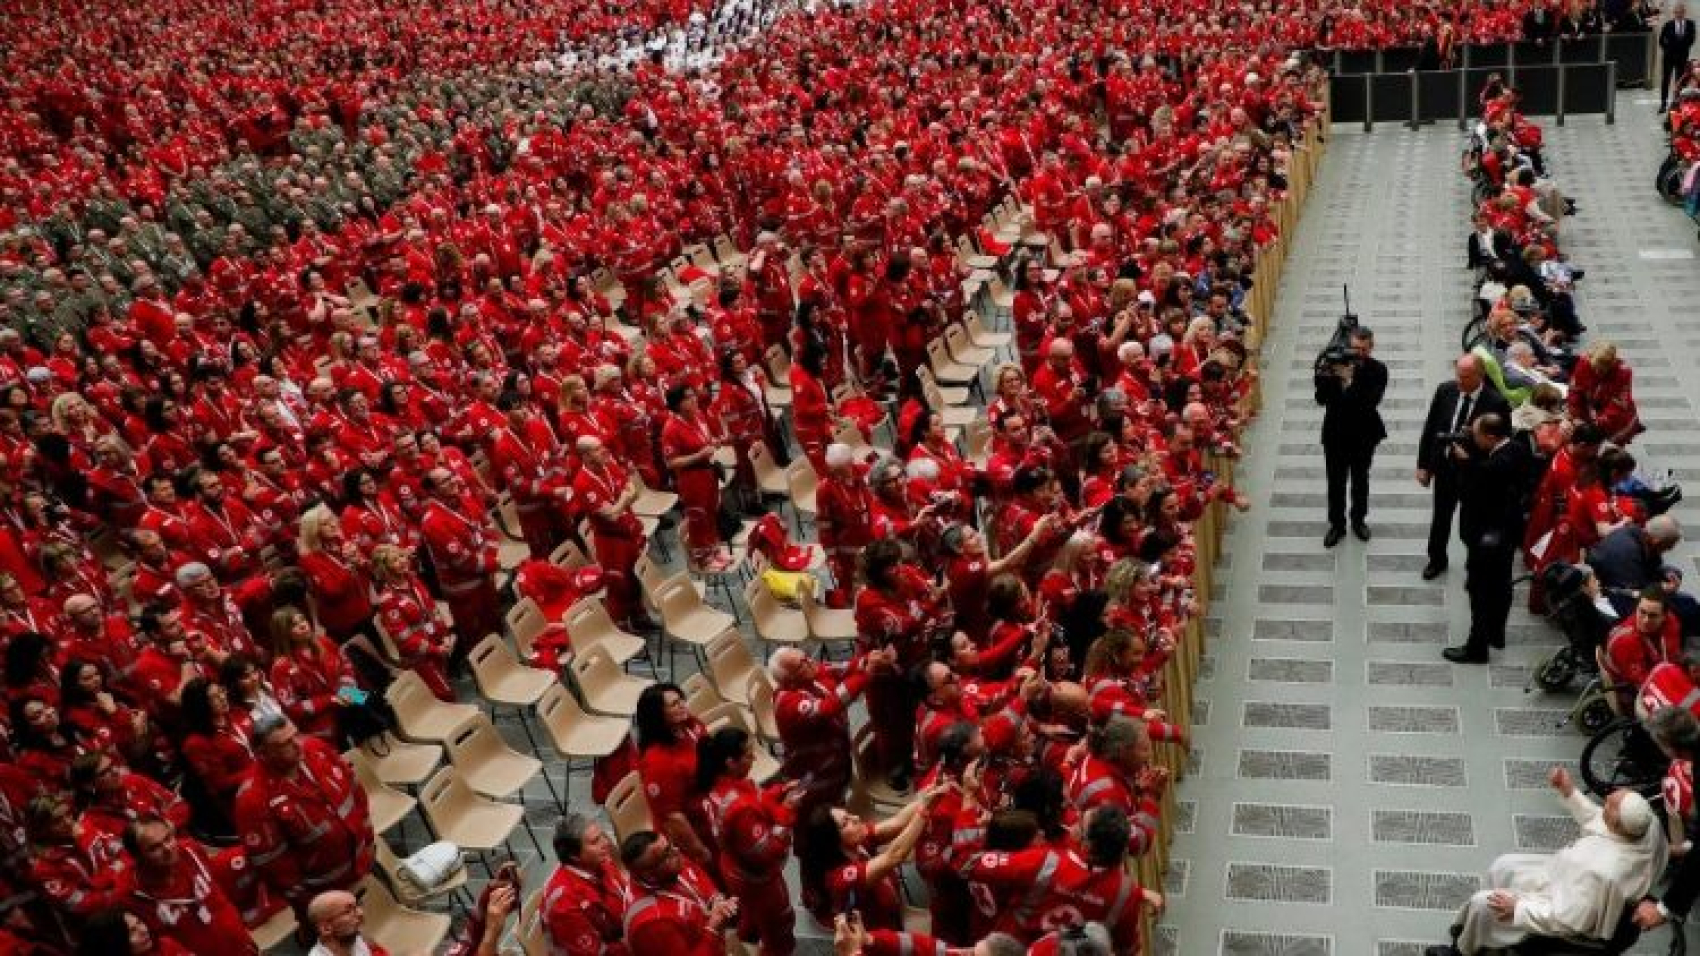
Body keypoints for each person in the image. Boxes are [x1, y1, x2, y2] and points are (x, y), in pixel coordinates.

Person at [1425, 768, 1664, 955]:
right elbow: (1597, 819)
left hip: (1559, 902)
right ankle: (1476, 929)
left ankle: (1464, 950)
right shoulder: (1647, 825)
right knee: (1504, 865)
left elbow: (1567, 920)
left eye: (1611, 805)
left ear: (1619, 825)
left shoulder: (1603, 873)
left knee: (1484, 904)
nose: (1608, 797)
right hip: (1565, 875)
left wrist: (1518, 910)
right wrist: (1569, 791)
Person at [232, 715, 374, 922]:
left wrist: (357, 698)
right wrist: (309, 904)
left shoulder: (315, 747)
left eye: (296, 735)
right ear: (263, 753)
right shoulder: (252, 800)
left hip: (364, 860)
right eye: (285, 744)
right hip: (325, 893)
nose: (298, 745)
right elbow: (276, 867)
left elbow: (355, 791)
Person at [699, 726, 800, 955]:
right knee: (780, 926)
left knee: (751, 915)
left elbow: (756, 797)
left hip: (733, 867)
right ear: (730, 762)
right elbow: (768, 850)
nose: (754, 757)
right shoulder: (740, 809)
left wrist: (780, 790)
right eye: (747, 754)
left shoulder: (719, 785)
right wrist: (787, 812)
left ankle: (746, 939)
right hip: (757, 879)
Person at [1444, 414, 1532, 664]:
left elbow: (1480, 481)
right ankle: (1496, 633)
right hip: (1506, 533)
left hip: (1488, 537)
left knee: (1480, 590)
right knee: (1502, 586)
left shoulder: (1496, 465)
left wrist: (1464, 462)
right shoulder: (1517, 449)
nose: (1472, 438)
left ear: (1491, 437)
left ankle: (1477, 647)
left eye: (1476, 434)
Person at [1418, 354, 1511, 580]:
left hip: (1474, 473)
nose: (1459, 381)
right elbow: (1431, 428)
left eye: (1465, 377)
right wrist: (1424, 465)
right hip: (1445, 468)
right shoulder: (1445, 391)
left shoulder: (1496, 402)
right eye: (1458, 375)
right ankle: (1436, 559)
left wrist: (1473, 460)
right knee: (1440, 517)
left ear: (1480, 376)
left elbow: (1501, 443)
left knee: (1472, 524)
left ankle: (1474, 565)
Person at [1314, 326, 1386, 546]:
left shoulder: (1378, 370)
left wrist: (1348, 383)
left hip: (1364, 434)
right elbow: (1321, 398)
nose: (1359, 353)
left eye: (1364, 349)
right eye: (1355, 348)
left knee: (1360, 479)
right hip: (1335, 434)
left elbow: (1369, 403)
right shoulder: (1331, 365)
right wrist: (1335, 377)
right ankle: (1337, 524)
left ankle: (1358, 520)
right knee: (1335, 482)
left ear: (1371, 348)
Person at [620, 830, 739, 956]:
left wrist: (715, 899)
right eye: (667, 853)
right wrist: (713, 929)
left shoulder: (669, 864)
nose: (676, 851)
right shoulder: (652, 924)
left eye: (670, 845)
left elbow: (695, 871)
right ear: (649, 875)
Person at [542, 813, 631, 956]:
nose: (606, 843)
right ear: (574, 856)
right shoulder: (563, 904)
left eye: (602, 835)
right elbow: (595, 953)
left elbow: (626, 895)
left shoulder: (600, 862)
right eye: (595, 841)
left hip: (620, 936)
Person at [304, 889, 390, 956]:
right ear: (326, 928)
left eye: (357, 905)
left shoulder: (361, 939)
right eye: (348, 911)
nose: (360, 913)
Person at [1662, 4, 1696, 111]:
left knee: (1680, 80)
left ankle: (1677, 103)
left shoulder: (1690, 24)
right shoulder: (1668, 24)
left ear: (1684, 13)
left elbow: (1691, 39)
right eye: (1677, 13)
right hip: (1669, 57)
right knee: (1666, 79)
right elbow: (1662, 40)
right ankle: (1663, 103)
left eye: (1681, 12)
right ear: (1674, 13)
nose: (1679, 15)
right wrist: (1668, 49)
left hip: (1682, 56)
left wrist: (1682, 48)